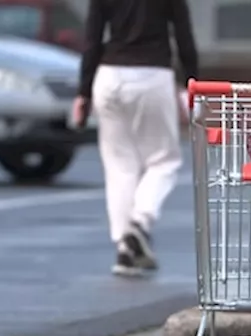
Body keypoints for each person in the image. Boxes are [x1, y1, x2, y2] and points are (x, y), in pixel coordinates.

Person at [71, 0, 199, 277]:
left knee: (120, 167)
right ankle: (139, 223)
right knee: (163, 161)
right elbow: (184, 37)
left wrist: (84, 92)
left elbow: (92, 39)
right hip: (152, 75)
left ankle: (124, 248)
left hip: (109, 77)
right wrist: (193, 85)